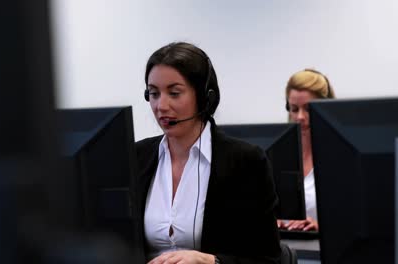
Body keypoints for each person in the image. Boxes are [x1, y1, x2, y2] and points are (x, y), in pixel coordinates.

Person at [136, 42, 281, 264]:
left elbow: (268, 260)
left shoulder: (245, 162)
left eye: (174, 93)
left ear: (205, 97)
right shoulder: (136, 157)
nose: (161, 106)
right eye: (154, 94)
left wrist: (210, 262)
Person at [277, 68, 336, 232]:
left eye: (308, 109)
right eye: (294, 109)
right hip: (282, 252)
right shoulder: (278, 156)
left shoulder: (338, 158)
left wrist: (320, 227)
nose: (300, 117)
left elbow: (353, 220)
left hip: (321, 252)